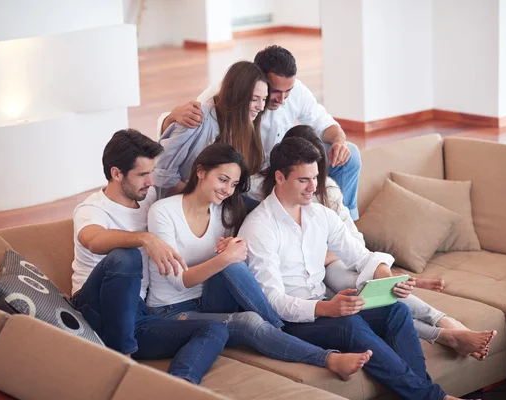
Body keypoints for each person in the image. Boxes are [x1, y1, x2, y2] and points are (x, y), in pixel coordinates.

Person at [239, 137, 483, 400]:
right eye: (303, 180)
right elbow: (272, 301)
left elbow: (362, 257)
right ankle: (435, 397)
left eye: (315, 178)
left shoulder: (319, 215)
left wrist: (388, 281)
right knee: (349, 325)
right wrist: (326, 309)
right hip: (288, 322)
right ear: (279, 177)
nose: (313, 187)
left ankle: (424, 393)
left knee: (396, 311)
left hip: (323, 307)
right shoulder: (260, 228)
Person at [147, 143, 372, 380]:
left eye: (233, 184)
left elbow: (234, 262)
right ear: (201, 171)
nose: (227, 190)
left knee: (232, 263)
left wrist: (233, 251)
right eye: (222, 179)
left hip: (210, 300)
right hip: (172, 310)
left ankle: (278, 328)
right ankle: (319, 353)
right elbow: (178, 281)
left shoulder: (224, 211)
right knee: (250, 321)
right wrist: (223, 259)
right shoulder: (163, 211)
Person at [71, 129, 230, 384]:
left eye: (151, 173)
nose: (151, 181)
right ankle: (123, 362)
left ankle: (180, 387)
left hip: (137, 313)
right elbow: (93, 240)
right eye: (143, 174)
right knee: (127, 256)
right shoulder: (91, 209)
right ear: (116, 173)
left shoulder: (148, 198)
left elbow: (191, 195)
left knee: (214, 329)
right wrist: (145, 238)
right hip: (95, 308)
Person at [159, 45, 362, 220]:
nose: (282, 100)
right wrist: (171, 117)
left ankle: (344, 223)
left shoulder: (293, 91)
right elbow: (186, 131)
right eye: (275, 92)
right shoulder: (223, 96)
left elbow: (325, 123)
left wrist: (339, 141)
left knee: (350, 156)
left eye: (287, 92)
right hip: (249, 173)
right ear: (258, 78)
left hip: (274, 161)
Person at [152, 60, 268, 204]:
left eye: (264, 99)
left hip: (218, 202)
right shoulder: (196, 118)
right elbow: (162, 174)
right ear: (237, 95)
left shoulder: (247, 126)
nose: (261, 106)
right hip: (184, 203)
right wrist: (199, 199)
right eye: (254, 99)